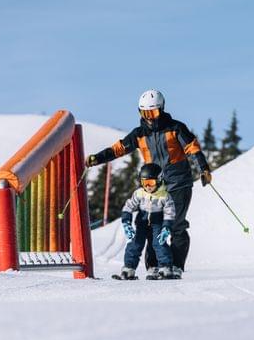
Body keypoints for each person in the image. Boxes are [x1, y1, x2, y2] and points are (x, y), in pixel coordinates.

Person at [86, 89, 212, 279]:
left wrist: (203, 168)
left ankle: (175, 266)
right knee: (153, 224)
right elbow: (118, 149)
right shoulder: (139, 134)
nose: (150, 118)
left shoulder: (175, 128)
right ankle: (153, 266)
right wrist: (98, 158)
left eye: (153, 113)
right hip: (155, 186)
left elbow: (192, 147)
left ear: (161, 110)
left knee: (176, 225)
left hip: (179, 183)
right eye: (145, 114)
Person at [113, 163, 176, 280]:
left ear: (159, 180)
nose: (147, 186)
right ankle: (129, 268)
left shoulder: (164, 196)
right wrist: (126, 222)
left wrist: (166, 227)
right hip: (141, 223)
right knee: (134, 244)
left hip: (157, 223)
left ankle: (165, 268)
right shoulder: (139, 193)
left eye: (150, 183)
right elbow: (129, 206)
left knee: (159, 244)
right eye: (144, 183)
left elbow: (170, 212)